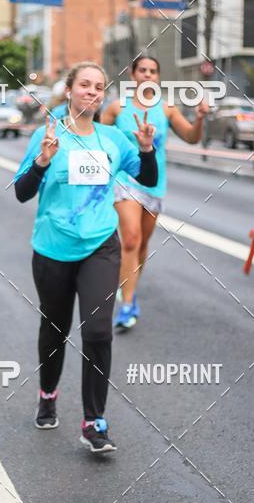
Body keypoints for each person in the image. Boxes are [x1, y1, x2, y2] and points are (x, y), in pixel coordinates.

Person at [14, 61, 158, 453]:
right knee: (55, 331)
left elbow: (145, 176)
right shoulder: (48, 135)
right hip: (53, 248)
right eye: (85, 85)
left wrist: (146, 149)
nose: (92, 92)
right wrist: (42, 161)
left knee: (97, 333)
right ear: (70, 90)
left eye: (99, 86)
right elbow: (22, 193)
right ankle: (48, 392)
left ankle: (94, 421)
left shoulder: (112, 139)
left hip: (99, 244)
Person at [102, 56, 208, 331]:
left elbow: (192, 138)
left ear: (158, 77)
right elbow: (97, 138)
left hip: (154, 184)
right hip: (125, 180)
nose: (147, 75)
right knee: (130, 239)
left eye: (153, 71)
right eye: (142, 70)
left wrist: (199, 119)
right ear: (132, 74)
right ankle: (127, 305)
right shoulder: (116, 108)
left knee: (143, 244)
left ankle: (130, 287)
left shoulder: (167, 110)